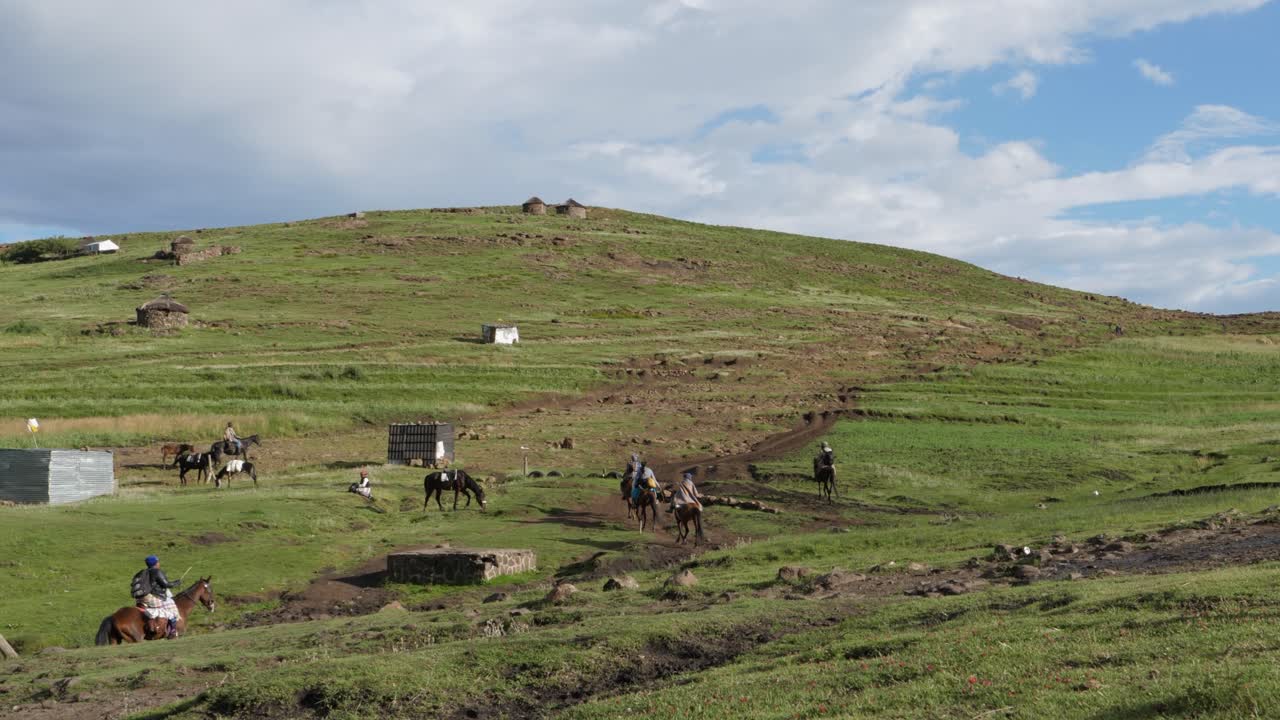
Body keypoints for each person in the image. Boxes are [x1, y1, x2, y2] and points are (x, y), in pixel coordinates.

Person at [131, 555, 180, 639]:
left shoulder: (144, 572)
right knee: (171, 607)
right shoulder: (157, 571)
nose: (159, 563)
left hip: (140, 598)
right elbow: (166, 584)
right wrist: (177, 583)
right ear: (156, 563)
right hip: (151, 597)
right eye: (158, 561)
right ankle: (172, 631)